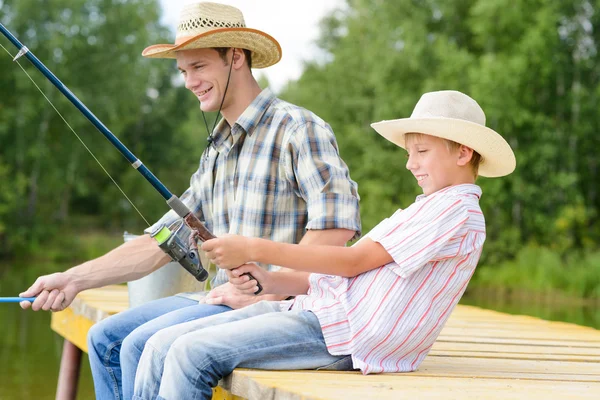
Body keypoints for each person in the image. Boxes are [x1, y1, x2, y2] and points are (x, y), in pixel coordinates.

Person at [18, 2, 361, 399]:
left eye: (198, 67)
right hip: (222, 298)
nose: (188, 81)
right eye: (183, 71)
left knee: (135, 346)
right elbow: (163, 241)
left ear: (235, 57)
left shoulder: (297, 128)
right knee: (104, 338)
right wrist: (72, 279)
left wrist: (270, 287)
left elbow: (337, 226)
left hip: (283, 309)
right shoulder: (216, 149)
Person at [131, 90, 516, 400]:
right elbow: (348, 275)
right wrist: (270, 282)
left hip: (345, 335)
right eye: (410, 152)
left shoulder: (457, 211)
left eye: (422, 152)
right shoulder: (426, 208)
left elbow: (351, 261)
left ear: (463, 152)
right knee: (160, 343)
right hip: (322, 315)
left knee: (189, 354)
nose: (410, 164)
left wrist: (252, 247)